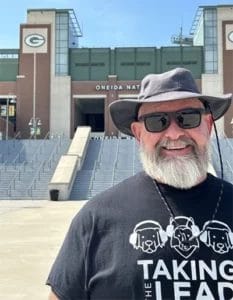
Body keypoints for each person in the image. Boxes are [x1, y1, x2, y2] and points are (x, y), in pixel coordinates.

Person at [47, 68, 233, 299]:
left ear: (207, 124)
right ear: (138, 133)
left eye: (188, 117)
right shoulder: (96, 218)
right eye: (157, 121)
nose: (174, 134)